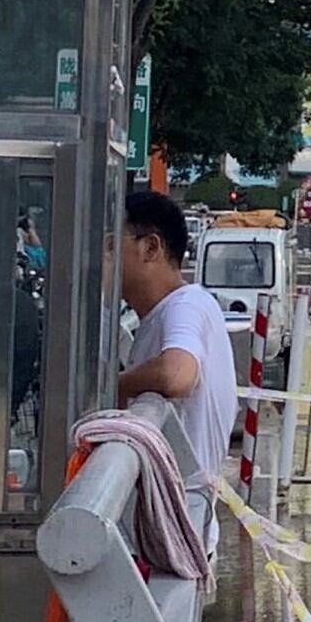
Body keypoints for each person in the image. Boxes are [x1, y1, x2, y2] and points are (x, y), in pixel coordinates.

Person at [111, 188, 238, 516]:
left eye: (112, 245)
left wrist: (115, 385)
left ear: (150, 247)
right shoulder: (159, 316)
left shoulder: (187, 305)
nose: (101, 258)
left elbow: (176, 375)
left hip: (178, 538)